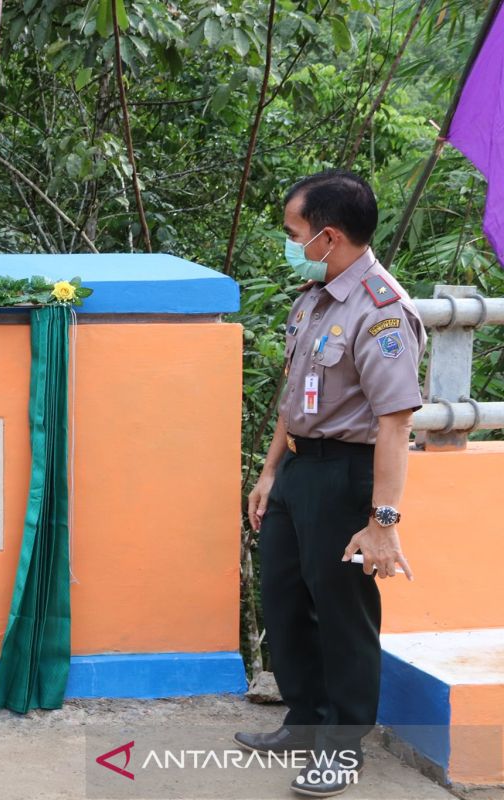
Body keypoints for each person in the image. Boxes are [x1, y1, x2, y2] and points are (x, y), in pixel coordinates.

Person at [237, 170, 424, 798]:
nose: (289, 244)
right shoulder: (315, 298)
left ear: (329, 236)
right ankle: (305, 719)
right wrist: (269, 472)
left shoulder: (381, 310)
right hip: (298, 470)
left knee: (343, 612)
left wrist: (382, 522)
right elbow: (296, 394)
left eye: (295, 234)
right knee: (287, 600)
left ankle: (343, 747)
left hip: (347, 476)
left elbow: (395, 425)